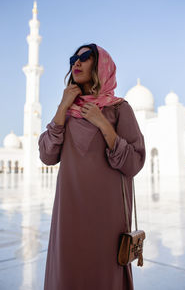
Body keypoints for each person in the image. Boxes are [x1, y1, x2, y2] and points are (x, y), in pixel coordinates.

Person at [38, 43, 146, 290]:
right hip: (69, 211)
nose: (76, 63)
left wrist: (102, 123)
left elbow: (134, 163)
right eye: (73, 59)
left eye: (85, 58)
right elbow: (47, 155)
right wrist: (63, 106)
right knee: (69, 270)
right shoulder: (68, 111)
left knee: (103, 271)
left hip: (107, 215)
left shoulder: (120, 108)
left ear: (101, 65)